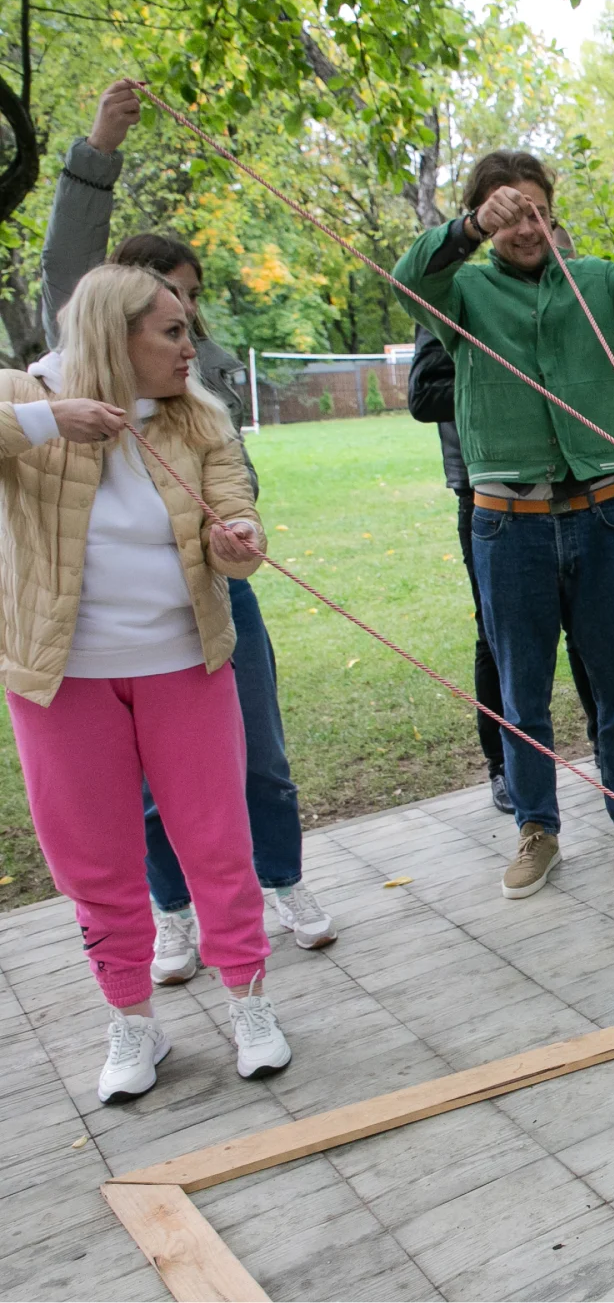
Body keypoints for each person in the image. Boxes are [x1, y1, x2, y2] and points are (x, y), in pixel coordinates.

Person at [43, 78, 332, 977]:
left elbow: (225, 470)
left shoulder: (190, 369)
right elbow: (69, 255)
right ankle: (172, 913)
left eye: (193, 302)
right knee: (144, 791)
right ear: (116, 304)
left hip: (211, 590)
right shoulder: (74, 357)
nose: (188, 322)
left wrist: (235, 533)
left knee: (259, 754)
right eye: (172, 300)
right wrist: (99, 146)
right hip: (105, 634)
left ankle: (278, 882)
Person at [4, 265, 295, 1102]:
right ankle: (132, 1020)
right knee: (94, 859)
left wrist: (238, 540)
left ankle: (249, 1002)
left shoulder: (199, 417)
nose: (189, 344)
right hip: (62, 680)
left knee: (216, 841)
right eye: (171, 330)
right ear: (113, 335)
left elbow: (234, 507)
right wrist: (44, 418)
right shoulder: (27, 396)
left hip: (182, 663)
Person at [393, 148, 614, 899]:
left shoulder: (594, 281)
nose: (525, 225)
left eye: (534, 208)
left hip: (601, 514)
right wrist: (463, 230)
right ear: (486, 221)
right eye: (505, 213)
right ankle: (538, 828)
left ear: (551, 210)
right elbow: (407, 282)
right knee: (522, 690)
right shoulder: (459, 293)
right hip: (509, 523)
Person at [408, 325, 614, 813]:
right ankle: (505, 769)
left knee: (591, 630)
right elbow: (424, 396)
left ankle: (609, 752)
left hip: (577, 488)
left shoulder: (546, 294)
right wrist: (512, 385)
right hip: (493, 493)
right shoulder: (457, 295)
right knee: (499, 641)